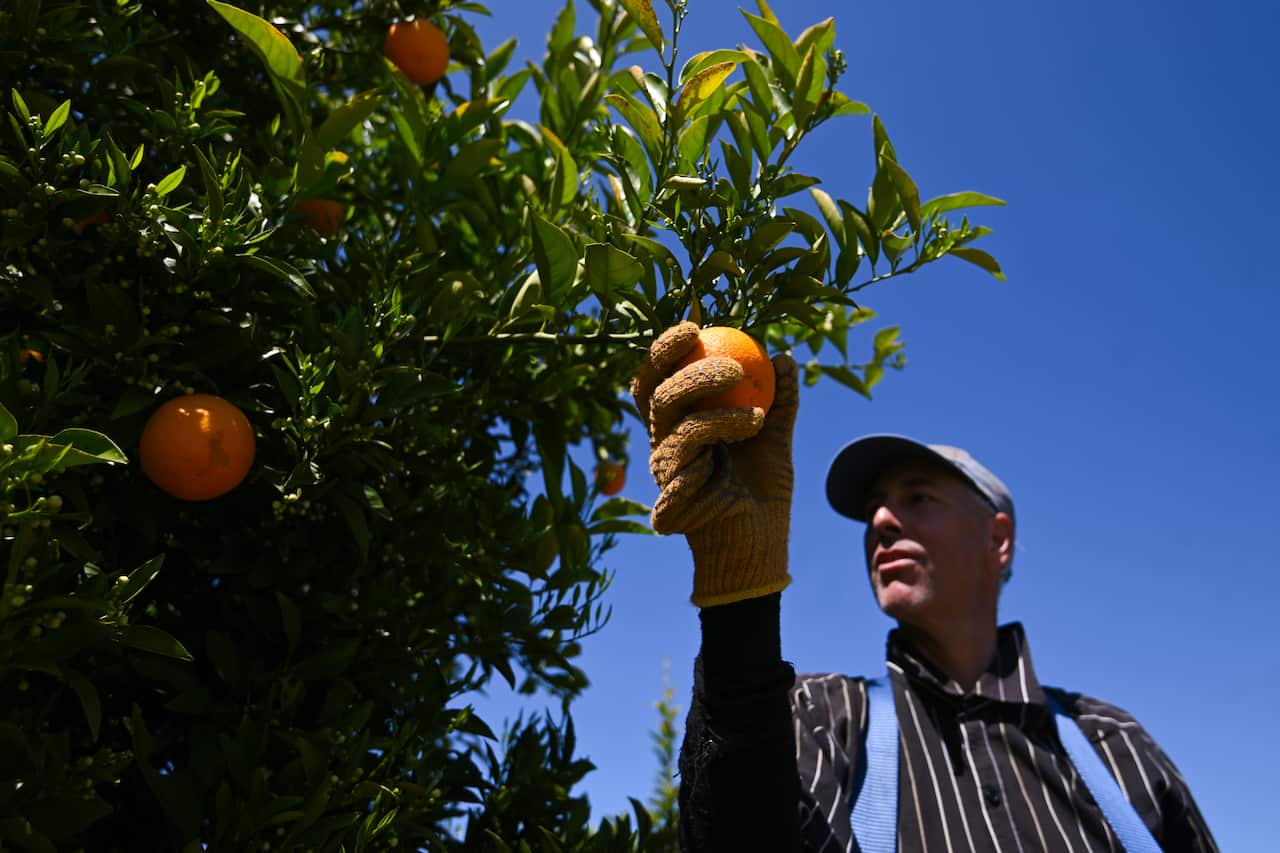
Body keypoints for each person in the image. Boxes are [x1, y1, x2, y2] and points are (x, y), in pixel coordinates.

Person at [631, 323, 1218, 852]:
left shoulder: (1115, 748)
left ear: (999, 539)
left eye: (918, 497)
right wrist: (740, 598)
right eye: (874, 508)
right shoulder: (821, 720)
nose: (882, 520)